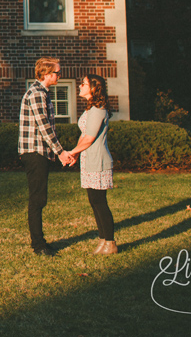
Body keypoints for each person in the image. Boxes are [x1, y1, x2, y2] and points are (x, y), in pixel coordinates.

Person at [18, 56, 75, 256]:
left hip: (39, 151)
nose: (60, 75)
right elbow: (44, 126)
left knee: (39, 198)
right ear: (46, 74)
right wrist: (60, 152)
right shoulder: (36, 94)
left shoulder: (42, 92)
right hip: (35, 152)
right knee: (37, 199)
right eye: (57, 72)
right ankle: (38, 245)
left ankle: (40, 242)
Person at [68, 74, 117, 255]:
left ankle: (110, 243)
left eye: (83, 84)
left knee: (99, 202)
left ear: (95, 88)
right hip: (88, 161)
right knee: (94, 201)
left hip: (99, 161)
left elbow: (89, 138)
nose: (80, 86)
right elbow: (84, 135)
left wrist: (72, 152)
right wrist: (76, 154)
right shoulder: (90, 109)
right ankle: (103, 240)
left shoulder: (99, 109)